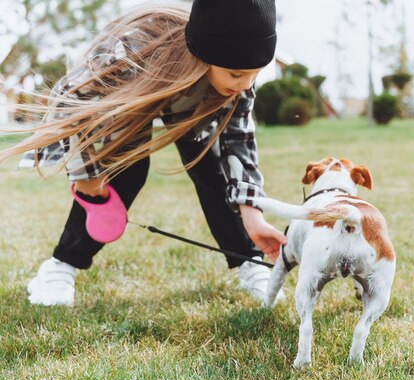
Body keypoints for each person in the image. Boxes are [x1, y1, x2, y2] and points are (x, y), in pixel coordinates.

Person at [0, 0, 287, 306]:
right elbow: (67, 100)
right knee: (128, 173)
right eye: (236, 74)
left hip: (194, 107)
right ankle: (60, 267)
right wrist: (85, 176)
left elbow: (240, 146)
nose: (245, 85)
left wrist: (253, 216)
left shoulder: (239, 83)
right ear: (206, 54)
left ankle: (249, 261)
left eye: (255, 74)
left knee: (211, 167)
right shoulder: (131, 51)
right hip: (138, 95)